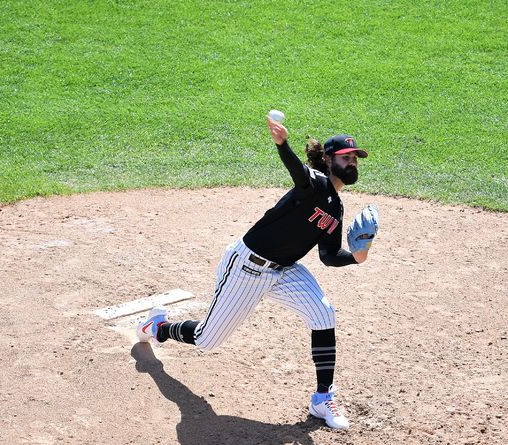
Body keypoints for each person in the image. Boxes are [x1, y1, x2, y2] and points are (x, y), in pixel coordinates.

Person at [136, 117, 376, 429]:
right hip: (247, 267)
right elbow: (298, 172)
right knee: (206, 339)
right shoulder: (315, 184)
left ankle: (322, 398)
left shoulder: (336, 207)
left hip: (285, 271)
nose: (353, 162)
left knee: (323, 314)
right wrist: (283, 145)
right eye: (346, 157)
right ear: (329, 160)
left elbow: (328, 256)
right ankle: (159, 327)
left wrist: (356, 258)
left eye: (355, 158)